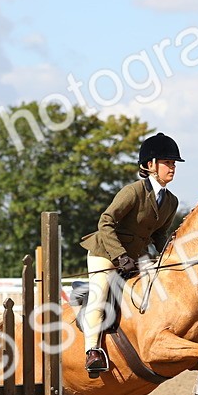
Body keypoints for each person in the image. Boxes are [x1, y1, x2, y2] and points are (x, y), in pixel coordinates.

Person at [79, 132, 183, 375]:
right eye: (167, 162)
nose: (172, 167)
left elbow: (160, 234)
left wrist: (170, 256)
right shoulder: (133, 191)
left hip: (135, 257)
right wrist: (119, 256)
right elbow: (105, 222)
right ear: (150, 165)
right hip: (106, 252)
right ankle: (92, 351)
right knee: (100, 295)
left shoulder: (171, 201)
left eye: (173, 163)